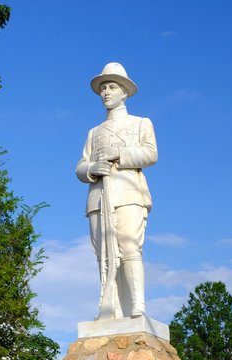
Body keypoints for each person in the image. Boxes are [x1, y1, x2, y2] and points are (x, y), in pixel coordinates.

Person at [76, 62, 157, 319]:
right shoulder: (94, 132)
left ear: (124, 92)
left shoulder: (141, 123)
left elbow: (150, 153)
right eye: (103, 88)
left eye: (112, 87)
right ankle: (110, 307)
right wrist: (92, 168)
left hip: (129, 193)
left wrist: (119, 154)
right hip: (98, 198)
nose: (106, 92)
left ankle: (137, 306)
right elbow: (80, 166)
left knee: (129, 248)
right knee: (104, 255)